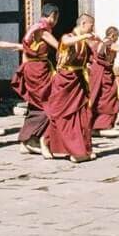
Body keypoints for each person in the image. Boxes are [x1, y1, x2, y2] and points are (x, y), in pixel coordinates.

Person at [42, 14, 99, 163]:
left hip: (78, 81)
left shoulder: (84, 42)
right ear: (84, 23)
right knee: (61, 115)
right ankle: (46, 141)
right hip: (65, 81)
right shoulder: (69, 36)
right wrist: (84, 36)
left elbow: (89, 59)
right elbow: (65, 42)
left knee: (82, 116)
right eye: (91, 26)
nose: (92, 28)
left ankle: (82, 148)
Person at [13, 4, 61, 154]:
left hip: (31, 69)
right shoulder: (43, 29)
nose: (56, 20)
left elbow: (25, 51)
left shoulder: (33, 27)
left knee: (35, 105)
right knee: (47, 104)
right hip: (38, 71)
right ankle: (33, 139)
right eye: (56, 16)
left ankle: (25, 140)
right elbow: (59, 46)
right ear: (52, 15)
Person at [87, 26, 119, 137]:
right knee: (109, 96)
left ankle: (93, 124)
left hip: (96, 73)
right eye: (116, 37)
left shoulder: (97, 43)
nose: (117, 40)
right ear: (113, 35)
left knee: (97, 96)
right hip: (103, 73)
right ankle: (101, 125)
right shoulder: (109, 44)